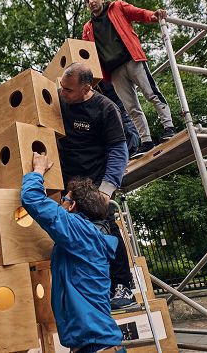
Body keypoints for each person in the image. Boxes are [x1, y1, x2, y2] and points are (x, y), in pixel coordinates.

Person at [22, 152, 124, 353]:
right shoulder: (85, 238)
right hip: (94, 345)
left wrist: (39, 171)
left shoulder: (80, 232)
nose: (60, 203)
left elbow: (32, 198)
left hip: (95, 346)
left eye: (63, 199)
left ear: (72, 206)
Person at [58, 62, 139, 313]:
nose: (63, 93)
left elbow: (118, 149)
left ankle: (123, 287)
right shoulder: (58, 99)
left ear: (86, 88)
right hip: (64, 182)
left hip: (93, 183)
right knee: (68, 236)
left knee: (106, 231)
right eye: (62, 87)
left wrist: (105, 190)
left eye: (69, 90)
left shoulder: (105, 109)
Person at [82, 0, 176, 158]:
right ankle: (146, 141)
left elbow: (138, 13)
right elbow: (86, 53)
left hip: (132, 60)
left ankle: (169, 127)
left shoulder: (117, 7)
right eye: (87, 0)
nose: (91, 2)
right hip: (114, 72)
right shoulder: (88, 28)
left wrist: (153, 16)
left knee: (151, 93)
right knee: (131, 107)